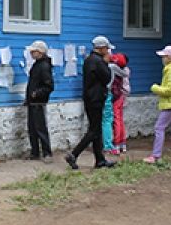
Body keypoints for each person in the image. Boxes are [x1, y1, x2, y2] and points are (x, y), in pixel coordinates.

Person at [65, 36, 117, 170]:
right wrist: (106, 63)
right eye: (107, 48)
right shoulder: (98, 61)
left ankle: (100, 160)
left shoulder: (89, 60)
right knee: (94, 130)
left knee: (97, 130)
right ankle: (74, 154)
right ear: (101, 48)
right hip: (96, 99)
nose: (108, 51)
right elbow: (106, 78)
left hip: (90, 98)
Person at [144, 45, 171, 164]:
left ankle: (156, 155)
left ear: (169, 57)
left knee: (159, 128)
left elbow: (170, 90)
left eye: (164, 56)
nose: (162, 58)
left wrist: (155, 88)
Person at [25, 40, 54, 162]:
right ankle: (35, 151)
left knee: (40, 128)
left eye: (34, 51)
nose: (31, 53)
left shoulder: (44, 66)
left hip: (39, 102)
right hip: (32, 101)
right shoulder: (37, 64)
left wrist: (37, 93)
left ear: (40, 52)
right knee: (32, 128)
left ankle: (47, 153)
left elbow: (49, 86)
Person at [109, 53, 131, 154]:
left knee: (116, 120)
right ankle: (123, 143)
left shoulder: (114, 70)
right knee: (120, 120)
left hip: (116, 96)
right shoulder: (125, 71)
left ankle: (117, 144)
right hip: (121, 96)